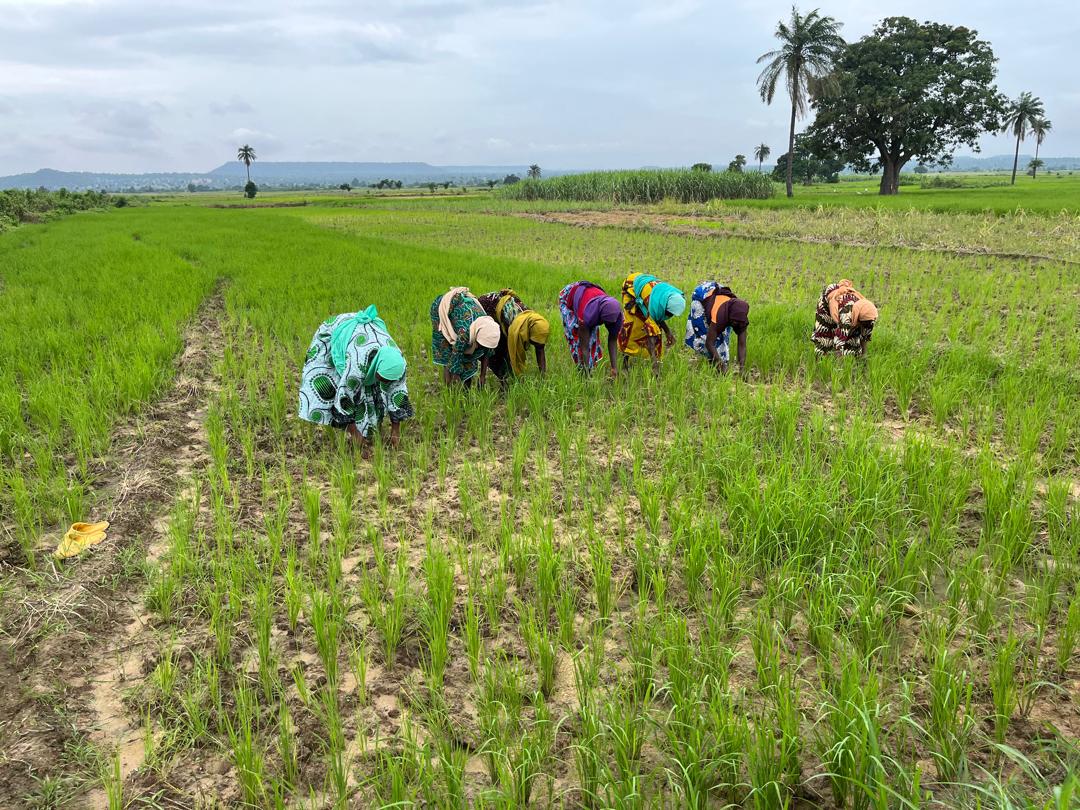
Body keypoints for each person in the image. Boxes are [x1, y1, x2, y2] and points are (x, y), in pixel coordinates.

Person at [299, 305, 413, 448]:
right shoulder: (357, 363)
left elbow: (398, 394)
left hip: (367, 340)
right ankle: (359, 432)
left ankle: (369, 430)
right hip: (335, 330)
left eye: (389, 380)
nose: (385, 383)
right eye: (382, 378)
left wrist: (396, 431)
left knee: (376, 390)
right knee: (333, 384)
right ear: (375, 367)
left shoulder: (398, 364)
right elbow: (345, 398)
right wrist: (355, 434)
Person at [430, 287, 501, 386]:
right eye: (481, 344)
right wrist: (456, 376)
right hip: (442, 309)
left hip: (465, 315)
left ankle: (466, 386)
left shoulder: (489, 329)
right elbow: (457, 353)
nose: (482, 347)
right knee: (446, 353)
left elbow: (487, 352)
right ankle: (449, 388)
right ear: (476, 337)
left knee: (470, 358)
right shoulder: (464, 333)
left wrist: (482, 376)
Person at [476, 289, 550, 380]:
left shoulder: (535, 324)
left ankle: (507, 378)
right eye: (535, 342)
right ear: (528, 334)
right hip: (489, 308)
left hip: (502, 312)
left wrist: (544, 377)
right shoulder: (516, 330)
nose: (538, 345)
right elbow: (511, 352)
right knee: (497, 350)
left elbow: (540, 350)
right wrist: (517, 376)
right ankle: (501, 379)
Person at [618, 272, 685, 371]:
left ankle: (643, 356)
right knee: (632, 327)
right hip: (631, 287)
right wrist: (654, 362)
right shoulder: (653, 301)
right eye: (669, 313)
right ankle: (624, 361)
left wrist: (668, 331)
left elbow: (658, 316)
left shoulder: (668, 296)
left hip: (645, 290)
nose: (670, 316)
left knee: (651, 327)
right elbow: (651, 336)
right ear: (665, 305)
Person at [557, 281, 624, 378]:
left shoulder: (616, 315)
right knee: (576, 337)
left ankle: (590, 368)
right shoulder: (586, 315)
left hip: (591, 298)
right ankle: (583, 371)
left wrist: (614, 368)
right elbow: (584, 347)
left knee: (593, 340)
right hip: (568, 296)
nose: (609, 326)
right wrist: (587, 375)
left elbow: (613, 340)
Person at [685, 281, 750, 373]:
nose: (735, 324)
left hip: (721, 298)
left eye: (737, 323)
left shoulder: (740, 319)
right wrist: (720, 364)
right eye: (734, 322)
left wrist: (742, 369)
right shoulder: (720, 314)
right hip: (702, 295)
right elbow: (709, 343)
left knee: (723, 339)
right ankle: (711, 364)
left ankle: (717, 365)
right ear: (729, 316)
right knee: (704, 334)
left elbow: (742, 345)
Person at [811, 279, 879, 357]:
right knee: (825, 335)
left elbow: (865, 336)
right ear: (860, 318)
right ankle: (821, 358)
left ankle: (851, 358)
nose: (868, 324)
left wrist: (864, 356)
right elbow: (840, 341)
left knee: (854, 343)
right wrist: (839, 366)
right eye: (865, 323)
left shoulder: (869, 317)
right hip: (827, 302)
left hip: (849, 310)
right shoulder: (846, 314)